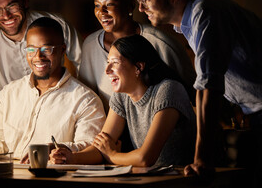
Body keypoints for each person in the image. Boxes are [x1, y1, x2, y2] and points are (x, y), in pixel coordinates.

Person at [127, 0, 262, 183]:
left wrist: (201, 159)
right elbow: (203, 88)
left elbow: (209, 88)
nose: (140, 8)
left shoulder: (206, 14)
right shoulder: (190, 24)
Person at [50, 35, 196, 167]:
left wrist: (113, 155)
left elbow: (145, 158)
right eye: (107, 62)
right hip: (150, 178)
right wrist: (71, 158)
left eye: (114, 62)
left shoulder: (168, 90)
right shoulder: (122, 96)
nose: (107, 70)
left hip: (183, 178)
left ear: (138, 67)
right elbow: (101, 149)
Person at [0, 17, 105, 162]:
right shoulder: (8, 93)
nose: (38, 57)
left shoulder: (85, 100)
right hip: (8, 176)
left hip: (51, 179)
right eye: (31, 49)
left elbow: (89, 147)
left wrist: (57, 149)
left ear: (62, 50)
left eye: (46, 49)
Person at [78, 0, 196, 113]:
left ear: (130, 6)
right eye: (97, 5)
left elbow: (191, 98)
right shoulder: (90, 46)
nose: (101, 12)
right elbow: (87, 102)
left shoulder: (161, 44)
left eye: (109, 4)